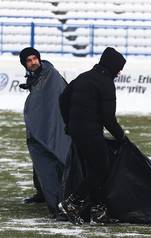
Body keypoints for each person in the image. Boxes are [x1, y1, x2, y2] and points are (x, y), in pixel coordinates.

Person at [58, 47, 127, 225]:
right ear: (112, 66)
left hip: (77, 131)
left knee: (93, 170)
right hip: (90, 132)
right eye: (119, 68)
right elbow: (108, 118)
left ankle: (98, 212)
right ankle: (72, 203)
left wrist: (69, 123)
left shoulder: (83, 77)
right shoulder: (105, 83)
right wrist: (122, 137)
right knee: (101, 169)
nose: (119, 72)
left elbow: (63, 99)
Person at [19, 47, 71, 220]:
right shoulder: (37, 77)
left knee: (53, 157)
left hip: (54, 125)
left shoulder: (50, 75)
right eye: (29, 60)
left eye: (35, 59)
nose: (33, 62)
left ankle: (60, 201)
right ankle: (42, 192)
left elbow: (52, 99)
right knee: (40, 161)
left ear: (39, 59)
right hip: (44, 126)